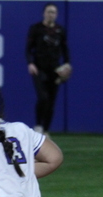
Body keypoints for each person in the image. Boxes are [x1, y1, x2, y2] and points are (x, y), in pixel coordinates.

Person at [26, 3, 71, 136]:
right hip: (39, 69)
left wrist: (67, 64)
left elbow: (65, 49)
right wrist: (30, 63)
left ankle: (46, 130)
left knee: (51, 101)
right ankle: (38, 125)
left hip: (55, 70)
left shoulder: (60, 30)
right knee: (43, 97)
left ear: (56, 15)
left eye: (53, 12)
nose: (51, 14)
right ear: (44, 13)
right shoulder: (36, 29)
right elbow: (28, 49)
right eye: (49, 11)